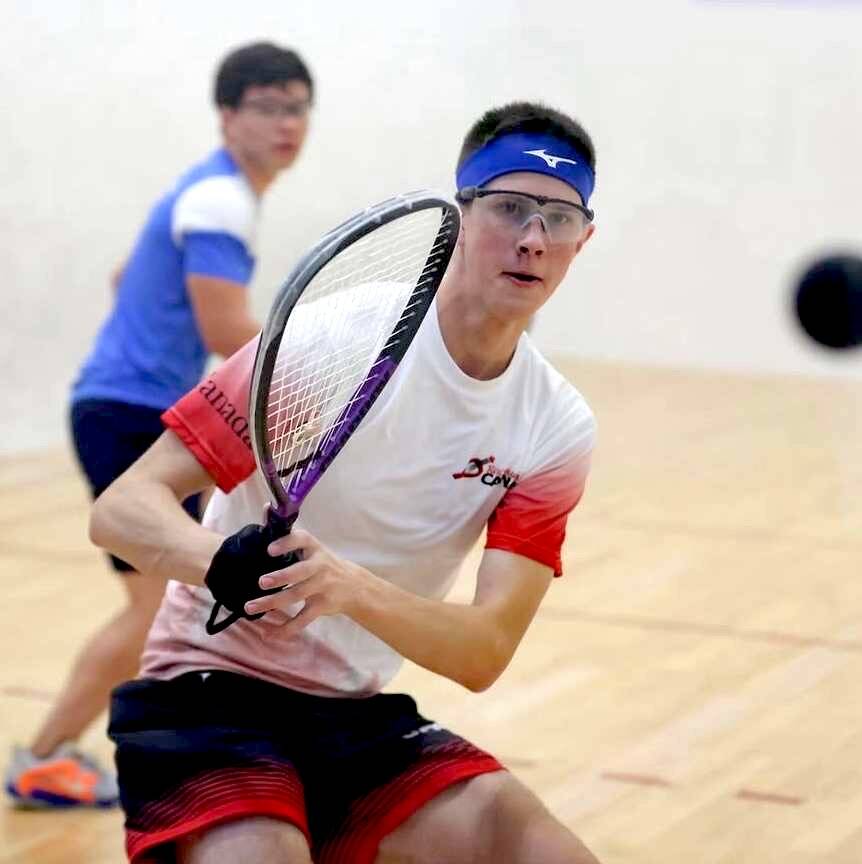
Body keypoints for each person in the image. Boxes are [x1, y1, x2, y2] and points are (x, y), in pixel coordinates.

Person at [89, 101, 602, 863]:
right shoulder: (332, 341)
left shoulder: (555, 426)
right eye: (510, 207)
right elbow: (122, 509)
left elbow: (483, 651)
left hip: (355, 718)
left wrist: (349, 588)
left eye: (558, 218)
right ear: (460, 214)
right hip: (207, 693)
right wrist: (219, 560)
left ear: (582, 240)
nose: (532, 238)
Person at [5, 41, 314, 809]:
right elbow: (226, 327)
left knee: (163, 608)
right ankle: (46, 757)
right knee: (152, 609)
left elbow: (126, 276)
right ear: (228, 115)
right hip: (131, 413)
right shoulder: (223, 201)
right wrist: (325, 380)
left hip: (124, 406)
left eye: (299, 106)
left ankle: (88, 754)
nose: (288, 123)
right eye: (269, 106)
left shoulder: (203, 192)